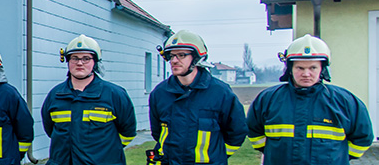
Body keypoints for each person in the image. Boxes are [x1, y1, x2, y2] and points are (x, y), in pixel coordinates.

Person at [246, 34, 373, 164]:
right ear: (290, 69)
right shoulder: (268, 99)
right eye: (300, 68)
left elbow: (363, 137)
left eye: (313, 68)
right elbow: (254, 132)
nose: (306, 74)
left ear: (322, 69)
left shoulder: (345, 101)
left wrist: (340, 157)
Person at [147, 30, 247, 165]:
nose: (174, 60)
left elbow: (237, 132)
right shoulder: (159, 93)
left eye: (181, 55)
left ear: (197, 58)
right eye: (171, 56)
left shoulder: (221, 93)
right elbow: (157, 133)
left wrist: (217, 155)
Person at [41, 35, 137, 165]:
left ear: (95, 62)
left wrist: (106, 151)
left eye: (86, 59)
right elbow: (51, 130)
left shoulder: (114, 94)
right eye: (75, 58)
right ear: (67, 61)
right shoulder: (55, 95)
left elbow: (128, 132)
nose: (80, 63)